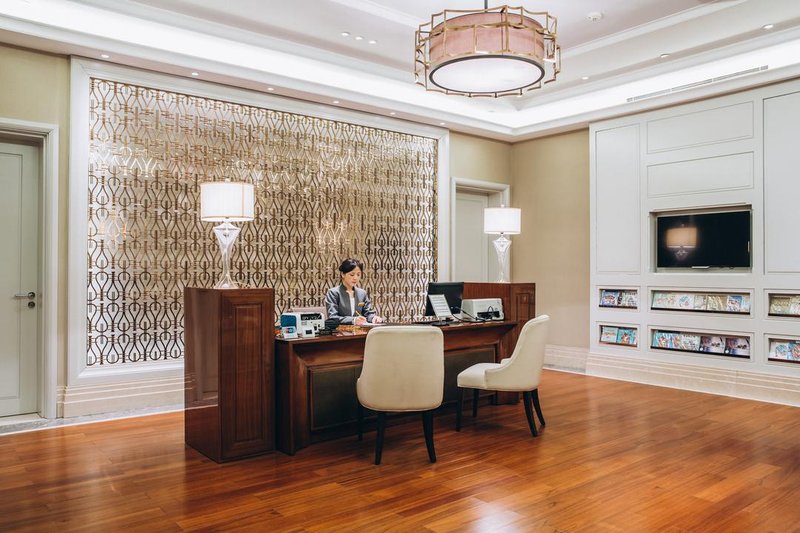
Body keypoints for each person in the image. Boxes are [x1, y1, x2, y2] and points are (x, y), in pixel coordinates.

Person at [325, 258, 383, 325]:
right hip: (340, 330)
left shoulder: (362, 293)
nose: (355, 278)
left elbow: (368, 313)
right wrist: (353, 320)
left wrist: (374, 318)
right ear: (343, 274)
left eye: (358, 275)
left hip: (360, 330)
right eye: (352, 275)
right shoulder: (333, 293)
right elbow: (333, 317)